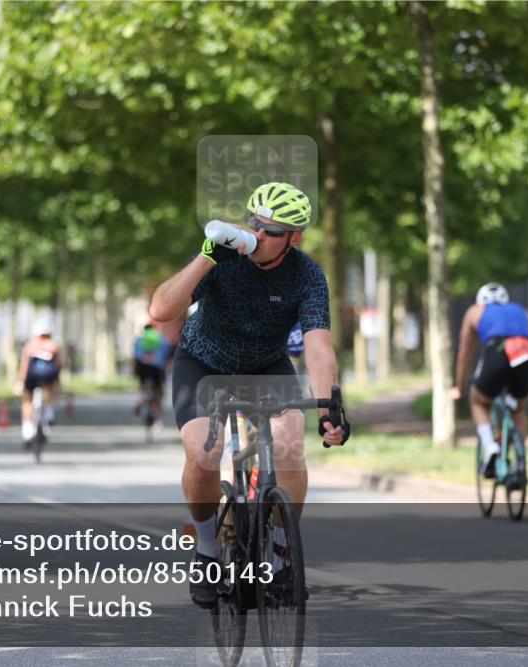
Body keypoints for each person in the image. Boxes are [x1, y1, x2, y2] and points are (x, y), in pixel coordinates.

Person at [149, 181, 346, 609]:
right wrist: (205, 257)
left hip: (265, 365)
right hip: (203, 364)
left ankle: (279, 551)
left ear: (294, 237)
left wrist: (330, 403)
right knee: (205, 450)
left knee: (291, 441)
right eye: (255, 223)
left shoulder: (308, 276)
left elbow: (317, 346)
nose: (258, 235)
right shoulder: (223, 259)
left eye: (271, 231)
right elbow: (160, 310)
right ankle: (205, 549)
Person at [450, 282, 528, 477]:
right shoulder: (522, 311)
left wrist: (460, 386)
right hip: (527, 353)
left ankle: (490, 445)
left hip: (497, 351)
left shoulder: (475, 311)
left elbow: (464, 354)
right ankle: (520, 464)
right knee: (518, 409)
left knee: (479, 401)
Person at [15, 320, 62, 447]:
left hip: (32, 375)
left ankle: (27, 431)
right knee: (51, 388)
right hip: (48, 375)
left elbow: (24, 366)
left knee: (27, 400)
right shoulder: (54, 345)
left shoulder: (30, 345)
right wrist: (58, 382)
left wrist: (20, 382)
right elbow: (59, 365)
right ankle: (49, 413)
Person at [132, 323, 171, 423]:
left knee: (141, 385)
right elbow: (167, 356)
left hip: (142, 367)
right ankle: (158, 406)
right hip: (157, 367)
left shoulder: (138, 340)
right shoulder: (162, 339)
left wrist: (133, 370)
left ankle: (139, 401)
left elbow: (135, 357)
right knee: (158, 387)